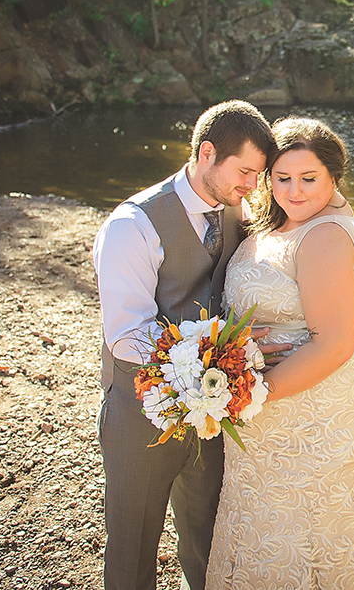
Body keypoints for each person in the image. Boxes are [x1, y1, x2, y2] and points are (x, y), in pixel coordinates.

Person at [205, 117, 354, 588]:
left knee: (315, 535)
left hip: (313, 420)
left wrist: (246, 394)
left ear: (334, 177)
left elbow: (335, 345)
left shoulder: (323, 237)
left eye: (309, 179)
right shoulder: (287, 221)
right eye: (282, 178)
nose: (294, 192)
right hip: (273, 419)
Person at [93, 100, 275, 590]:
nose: (252, 187)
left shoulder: (237, 210)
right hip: (139, 410)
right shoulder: (132, 226)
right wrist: (215, 353)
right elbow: (128, 336)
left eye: (259, 175)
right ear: (207, 152)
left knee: (207, 538)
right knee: (132, 547)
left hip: (215, 409)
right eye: (245, 172)